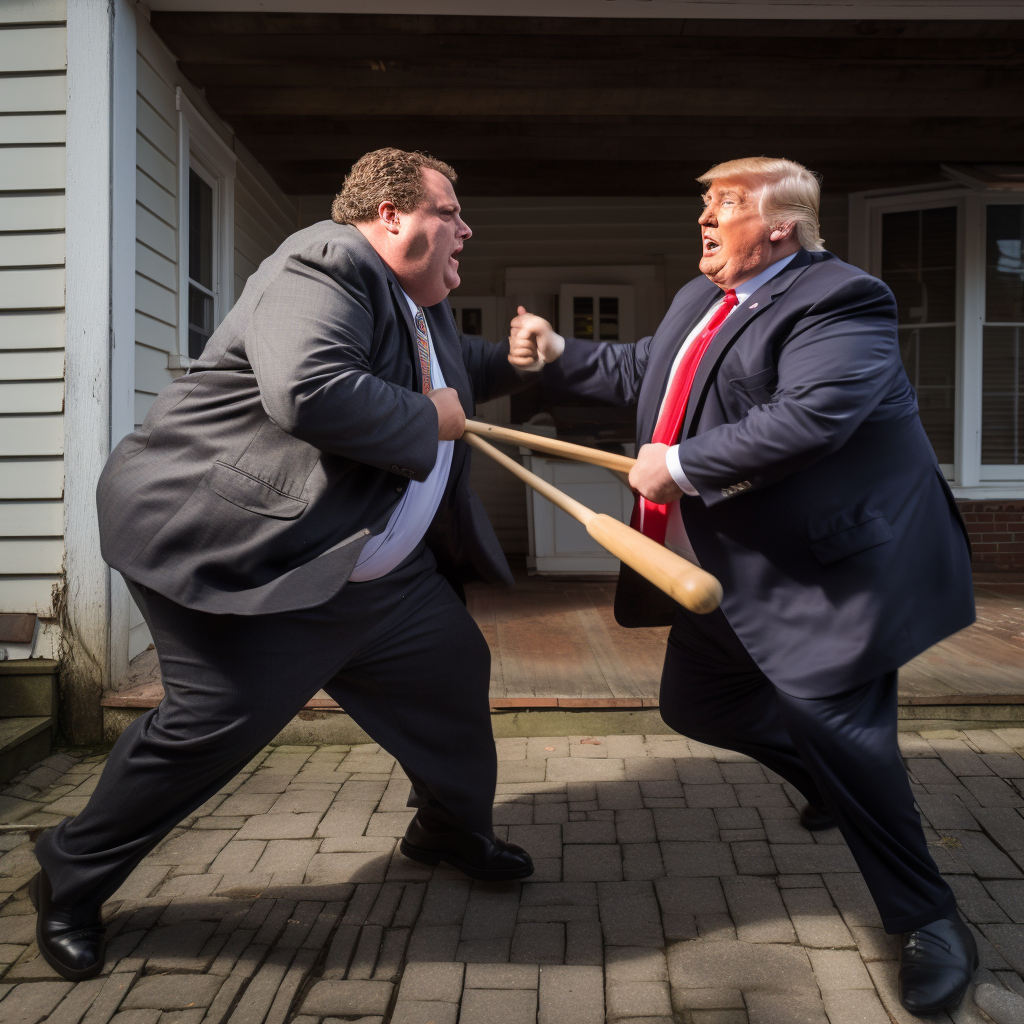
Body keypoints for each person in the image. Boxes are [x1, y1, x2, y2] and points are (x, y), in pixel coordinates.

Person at [32, 148, 535, 982]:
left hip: (376, 575)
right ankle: (68, 877)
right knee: (213, 723)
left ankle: (446, 828)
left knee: (452, 670)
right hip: (244, 543)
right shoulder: (328, 259)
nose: (466, 228)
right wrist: (431, 416)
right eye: (452, 211)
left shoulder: (424, 310)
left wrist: (544, 358)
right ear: (391, 217)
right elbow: (307, 388)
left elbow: (467, 368)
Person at [509, 157, 977, 1017]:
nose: (704, 220)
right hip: (727, 576)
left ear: (780, 228)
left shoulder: (843, 300)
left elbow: (811, 416)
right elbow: (648, 371)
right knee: (700, 706)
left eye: (722, 207)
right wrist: (563, 352)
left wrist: (679, 464)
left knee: (850, 743)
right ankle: (828, 784)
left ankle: (932, 922)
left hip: (829, 575)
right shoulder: (703, 298)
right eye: (704, 204)